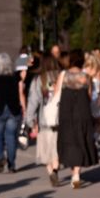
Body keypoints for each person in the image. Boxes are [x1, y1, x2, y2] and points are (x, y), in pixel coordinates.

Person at [56, 49, 100, 189]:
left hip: (66, 111)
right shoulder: (86, 76)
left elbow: (57, 94)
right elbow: (90, 96)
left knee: (69, 140)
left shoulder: (63, 74)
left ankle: (73, 171)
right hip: (82, 110)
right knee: (81, 139)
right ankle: (76, 174)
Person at [27, 56, 63, 186]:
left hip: (45, 119)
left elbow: (33, 101)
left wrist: (30, 121)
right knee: (57, 147)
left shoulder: (39, 80)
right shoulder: (62, 77)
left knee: (46, 149)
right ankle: (56, 167)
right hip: (60, 118)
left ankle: (51, 171)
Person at [0, 51, 24, 174]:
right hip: (13, 108)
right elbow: (20, 91)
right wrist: (24, 106)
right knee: (11, 136)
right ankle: (11, 164)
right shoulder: (15, 76)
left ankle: (1, 157)